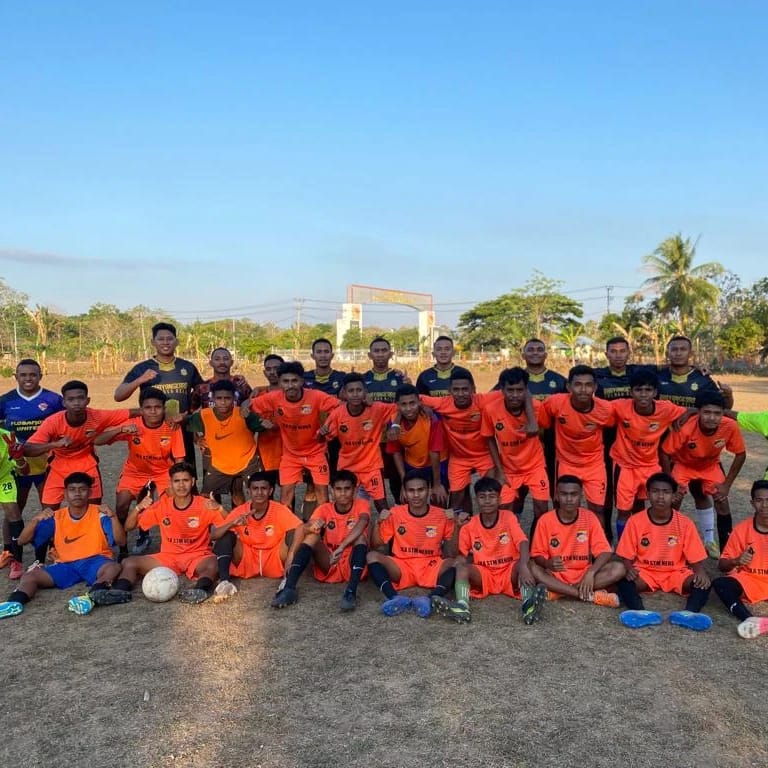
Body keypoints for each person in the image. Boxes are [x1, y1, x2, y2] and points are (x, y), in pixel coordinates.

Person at [0, 473, 128, 619]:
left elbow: (121, 541)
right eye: (72, 489)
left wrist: (112, 516)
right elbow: (22, 541)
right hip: (66, 565)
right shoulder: (57, 517)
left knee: (114, 567)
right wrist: (35, 520)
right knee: (31, 575)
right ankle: (15, 602)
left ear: (90, 492)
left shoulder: (100, 514)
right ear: (65, 493)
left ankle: (90, 597)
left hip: (95, 561)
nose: (77, 494)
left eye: (82, 489)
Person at [115, 463, 229, 604]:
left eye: (185, 480)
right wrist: (138, 507)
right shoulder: (161, 506)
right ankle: (119, 592)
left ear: (193, 482)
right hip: (168, 557)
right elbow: (128, 527)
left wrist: (220, 509)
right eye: (177, 481)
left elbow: (230, 525)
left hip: (197, 556)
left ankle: (201, 590)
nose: (181, 485)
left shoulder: (205, 504)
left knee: (214, 563)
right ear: (170, 483)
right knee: (129, 562)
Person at [94, 387, 186, 557]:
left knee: (173, 503)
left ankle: (174, 545)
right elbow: (98, 440)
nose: (153, 412)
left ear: (164, 409)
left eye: (157, 407)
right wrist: (120, 430)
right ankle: (122, 548)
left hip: (163, 472)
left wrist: (178, 482)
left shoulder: (172, 427)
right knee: (121, 505)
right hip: (135, 472)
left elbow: (179, 459)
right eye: (148, 408)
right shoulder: (133, 424)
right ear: (141, 409)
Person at [615, 472, 712, 631]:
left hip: (676, 572)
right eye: (655, 491)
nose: (660, 496)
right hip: (645, 572)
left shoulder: (685, 523)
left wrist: (700, 572)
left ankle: (689, 614)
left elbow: (695, 557)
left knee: (703, 583)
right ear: (647, 494)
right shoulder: (635, 521)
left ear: (673, 495)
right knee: (623, 580)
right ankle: (639, 612)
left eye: (666, 492)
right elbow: (626, 555)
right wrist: (629, 568)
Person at [24, 380, 134, 510]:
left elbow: (133, 412)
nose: (76, 403)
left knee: (93, 509)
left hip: (87, 464)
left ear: (87, 400)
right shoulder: (53, 422)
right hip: (58, 466)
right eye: (71, 399)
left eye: (80, 398)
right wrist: (55, 444)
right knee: (49, 511)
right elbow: (27, 449)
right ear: (64, 403)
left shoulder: (98, 416)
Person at [269, 471, 370, 611]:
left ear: (355, 490)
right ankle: (289, 589)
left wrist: (342, 546)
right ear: (331, 490)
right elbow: (302, 528)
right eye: (338, 489)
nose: (343, 493)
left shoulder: (361, 505)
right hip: (329, 560)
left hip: (351, 558)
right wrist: (293, 552)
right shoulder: (325, 508)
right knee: (312, 536)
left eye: (347, 489)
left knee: (361, 537)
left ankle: (351, 592)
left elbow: (364, 521)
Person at [366, 471, 461, 618]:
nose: (416, 495)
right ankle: (394, 598)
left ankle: (430, 599)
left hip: (431, 565)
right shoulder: (395, 513)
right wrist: (378, 523)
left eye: (421, 490)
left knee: (459, 562)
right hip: (402, 565)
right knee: (372, 556)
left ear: (429, 491)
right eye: (411, 490)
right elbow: (375, 545)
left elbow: (452, 553)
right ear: (404, 492)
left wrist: (455, 525)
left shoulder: (442, 515)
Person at [662, 391, 746, 557]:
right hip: (683, 464)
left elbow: (741, 454)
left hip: (709, 466)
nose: (712, 418)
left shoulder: (729, 426)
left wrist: (727, 485)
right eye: (707, 412)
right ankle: (669, 547)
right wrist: (670, 484)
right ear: (698, 411)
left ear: (723, 413)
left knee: (722, 501)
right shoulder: (685, 427)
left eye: (717, 413)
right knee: (673, 500)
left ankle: (726, 552)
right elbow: (665, 452)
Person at [0, 359, 64, 573]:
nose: (28, 378)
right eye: (24, 375)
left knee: (50, 507)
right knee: (14, 508)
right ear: (16, 377)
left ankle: (54, 547)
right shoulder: (6, 401)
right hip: (17, 464)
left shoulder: (53, 399)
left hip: (47, 462)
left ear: (40, 376)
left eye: (33, 375)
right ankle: (9, 550)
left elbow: (65, 422)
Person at [249, 362, 340, 511]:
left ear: (302, 381)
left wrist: (329, 425)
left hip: (316, 452)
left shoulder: (315, 396)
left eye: (294, 381)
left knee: (322, 496)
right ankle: (286, 531)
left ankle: (324, 531)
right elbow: (247, 407)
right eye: (285, 381)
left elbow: (340, 406)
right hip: (291, 455)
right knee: (285, 497)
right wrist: (261, 422)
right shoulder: (274, 398)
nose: (290, 385)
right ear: (279, 383)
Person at [610, 370, 689, 540]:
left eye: (648, 390)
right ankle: (624, 548)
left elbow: (691, 411)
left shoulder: (666, 408)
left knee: (648, 507)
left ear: (655, 392)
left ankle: (648, 542)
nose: (643, 394)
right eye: (638, 390)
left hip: (650, 465)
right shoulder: (620, 406)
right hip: (625, 466)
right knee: (624, 510)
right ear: (631, 392)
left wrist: (680, 419)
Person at [114, 322, 203, 472]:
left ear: (176, 342)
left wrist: (190, 418)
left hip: (181, 429)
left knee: (185, 474)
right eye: (161, 339)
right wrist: (139, 380)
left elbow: (203, 394)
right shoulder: (142, 368)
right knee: (156, 474)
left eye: (169, 339)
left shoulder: (187, 367)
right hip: (152, 431)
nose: (165, 342)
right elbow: (118, 395)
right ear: (153, 342)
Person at [449, 477, 539, 625]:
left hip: (508, 571)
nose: (487, 501)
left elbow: (522, 542)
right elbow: (457, 555)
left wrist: (523, 565)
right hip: (484, 574)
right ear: (476, 499)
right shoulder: (469, 525)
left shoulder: (508, 517)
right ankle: (462, 606)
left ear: (499, 499)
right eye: (482, 497)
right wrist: (457, 528)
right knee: (461, 568)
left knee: (526, 564)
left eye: (492, 497)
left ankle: (528, 604)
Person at [529, 476, 625, 608]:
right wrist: (547, 562)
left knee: (618, 569)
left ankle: (559, 592)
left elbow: (605, 551)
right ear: (556, 496)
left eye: (573, 494)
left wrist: (591, 572)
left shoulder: (589, 517)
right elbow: (536, 555)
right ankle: (589, 596)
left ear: (581, 496)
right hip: (556, 575)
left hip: (583, 575)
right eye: (564, 494)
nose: (569, 499)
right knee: (532, 568)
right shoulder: (545, 520)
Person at [212, 472, 304, 604]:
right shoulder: (241, 510)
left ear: (270, 490)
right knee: (226, 534)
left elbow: (300, 527)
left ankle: (287, 581)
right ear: (248, 491)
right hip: (248, 557)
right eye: (255, 488)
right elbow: (214, 535)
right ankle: (225, 582)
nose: (259, 492)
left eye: (264, 488)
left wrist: (291, 555)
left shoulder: (279, 510)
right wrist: (232, 523)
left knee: (293, 533)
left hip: (274, 556)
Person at [539, 365, 614, 525]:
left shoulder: (605, 409)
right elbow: (544, 420)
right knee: (563, 506)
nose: (583, 390)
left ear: (595, 387)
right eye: (578, 384)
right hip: (566, 463)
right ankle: (566, 541)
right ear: (569, 386)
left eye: (588, 385)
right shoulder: (555, 403)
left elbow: (613, 425)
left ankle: (597, 545)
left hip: (594, 465)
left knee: (597, 509)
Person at [419, 368, 500, 515]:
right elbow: (413, 398)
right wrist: (425, 408)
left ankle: (488, 528)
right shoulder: (443, 403)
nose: (461, 393)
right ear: (449, 390)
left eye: (465, 389)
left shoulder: (482, 400)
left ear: (473, 389)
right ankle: (459, 528)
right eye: (456, 389)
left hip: (484, 456)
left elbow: (512, 391)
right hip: (459, 458)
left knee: (490, 492)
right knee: (457, 497)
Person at [318, 373, 396, 513]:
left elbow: (399, 408)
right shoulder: (337, 414)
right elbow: (322, 439)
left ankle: (389, 532)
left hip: (371, 466)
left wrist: (394, 426)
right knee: (345, 505)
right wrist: (322, 433)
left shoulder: (376, 409)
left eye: (359, 390)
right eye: (351, 391)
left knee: (381, 504)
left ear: (365, 392)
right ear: (344, 394)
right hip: (348, 466)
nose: (355, 394)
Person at [482, 367, 549, 522]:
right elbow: (489, 438)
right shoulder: (490, 410)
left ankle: (537, 545)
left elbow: (546, 428)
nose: (515, 395)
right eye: (510, 390)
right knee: (505, 511)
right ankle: (511, 542)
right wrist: (499, 470)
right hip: (509, 469)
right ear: (502, 390)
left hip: (535, 467)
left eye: (519, 390)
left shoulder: (537, 407)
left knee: (542, 509)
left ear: (526, 390)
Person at [187, 380, 265, 505]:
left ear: (234, 398)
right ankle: (216, 522)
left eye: (227, 398)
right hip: (219, 464)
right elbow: (188, 424)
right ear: (213, 398)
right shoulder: (203, 415)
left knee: (253, 495)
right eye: (219, 398)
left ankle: (251, 522)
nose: (223, 402)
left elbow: (262, 426)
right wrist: (197, 439)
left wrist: (268, 424)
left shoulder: (243, 413)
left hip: (246, 462)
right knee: (205, 497)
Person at [712, 481, 768, 638]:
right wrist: (736, 561)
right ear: (752, 503)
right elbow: (722, 565)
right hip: (749, 579)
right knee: (720, 584)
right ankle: (750, 620)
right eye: (759, 500)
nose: (764, 505)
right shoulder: (742, 529)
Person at [302, 339, 345, 521]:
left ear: (332, 355)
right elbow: (282, 389)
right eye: (318, 352)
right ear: (313, 355)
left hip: (336, 440)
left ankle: (334, 522)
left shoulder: (341, 378)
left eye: (326, 351)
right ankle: (310, 524)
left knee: (336, 482)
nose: (323, 355)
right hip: (311, 440)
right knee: (312, 486)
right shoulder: (304, 379)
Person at [385, 384, 448, 507]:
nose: (408, 408)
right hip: (413, 463)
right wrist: (404, 481)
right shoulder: (393, 422)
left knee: (439, 499)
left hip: (438, 462)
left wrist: (436, 484)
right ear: (397, 405)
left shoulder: (431, 418)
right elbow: (395, 452)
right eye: (404, 404)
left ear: (419, 402)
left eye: (412, 403)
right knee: (411, 499)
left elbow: (434, 451)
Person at [363, 337, 409, 502]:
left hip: (395, 438)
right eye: (376, 351)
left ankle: (402, 512)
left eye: (384, 351)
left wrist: (409, 384)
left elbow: (407, 405)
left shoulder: (399, 379)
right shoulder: (363, 379)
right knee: (374, 481)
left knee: (397, 480)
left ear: (391, 354)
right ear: (370, 355)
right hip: (371, 442)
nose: (380, 354)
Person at [521, 338, 567, 493]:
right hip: (522, 442)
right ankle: (514, 516)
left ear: (546, 354)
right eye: (531, 349)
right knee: (519, 489)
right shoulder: (514, 380)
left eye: (539, 349)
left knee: (554, 486)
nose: (535, 353)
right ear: (523, 355)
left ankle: (553, 515)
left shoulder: (559, 381)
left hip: (553, 442)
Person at [657, 335, 733, 409]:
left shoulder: (703, 380)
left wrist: (728, 395)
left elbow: (724, 408)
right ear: (667, 354)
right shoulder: (656, 376)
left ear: (691, 354)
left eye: (683, 349)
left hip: (692, 421)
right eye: (674, 350)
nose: (678, 353)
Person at [251, 354, 284, 488]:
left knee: (287, 493)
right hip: (266, 452)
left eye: (276, 368)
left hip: (287, 452)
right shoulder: (258, 394)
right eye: (268, 369)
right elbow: (249, 419)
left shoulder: (292, 393)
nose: (272, 372)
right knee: (266, 491)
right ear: (264, 372)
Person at [0, 429, 29, 579]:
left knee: (13, 512)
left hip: (4, 479)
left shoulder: (7, 438)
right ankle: (7, 552)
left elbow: (25, 470)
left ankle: (17, 561)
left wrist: (19, 458)